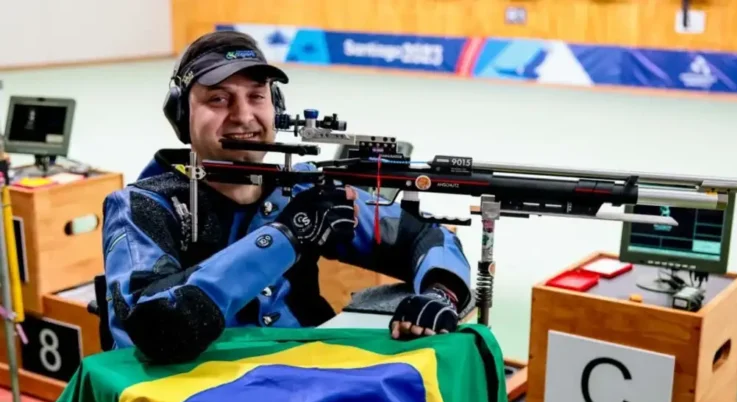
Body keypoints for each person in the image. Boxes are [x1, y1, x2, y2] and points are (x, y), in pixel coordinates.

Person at [100, 30, 472, 364]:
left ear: (276, 108)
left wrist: (440, 294)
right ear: (182, 114)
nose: (243, 115)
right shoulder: (142, 207)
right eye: (218, 99)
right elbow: (153, 328)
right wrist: (286, 236)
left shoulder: (302, 188)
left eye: (256, 96)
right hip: (198, 399)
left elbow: (426, 237)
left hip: (306, 379)